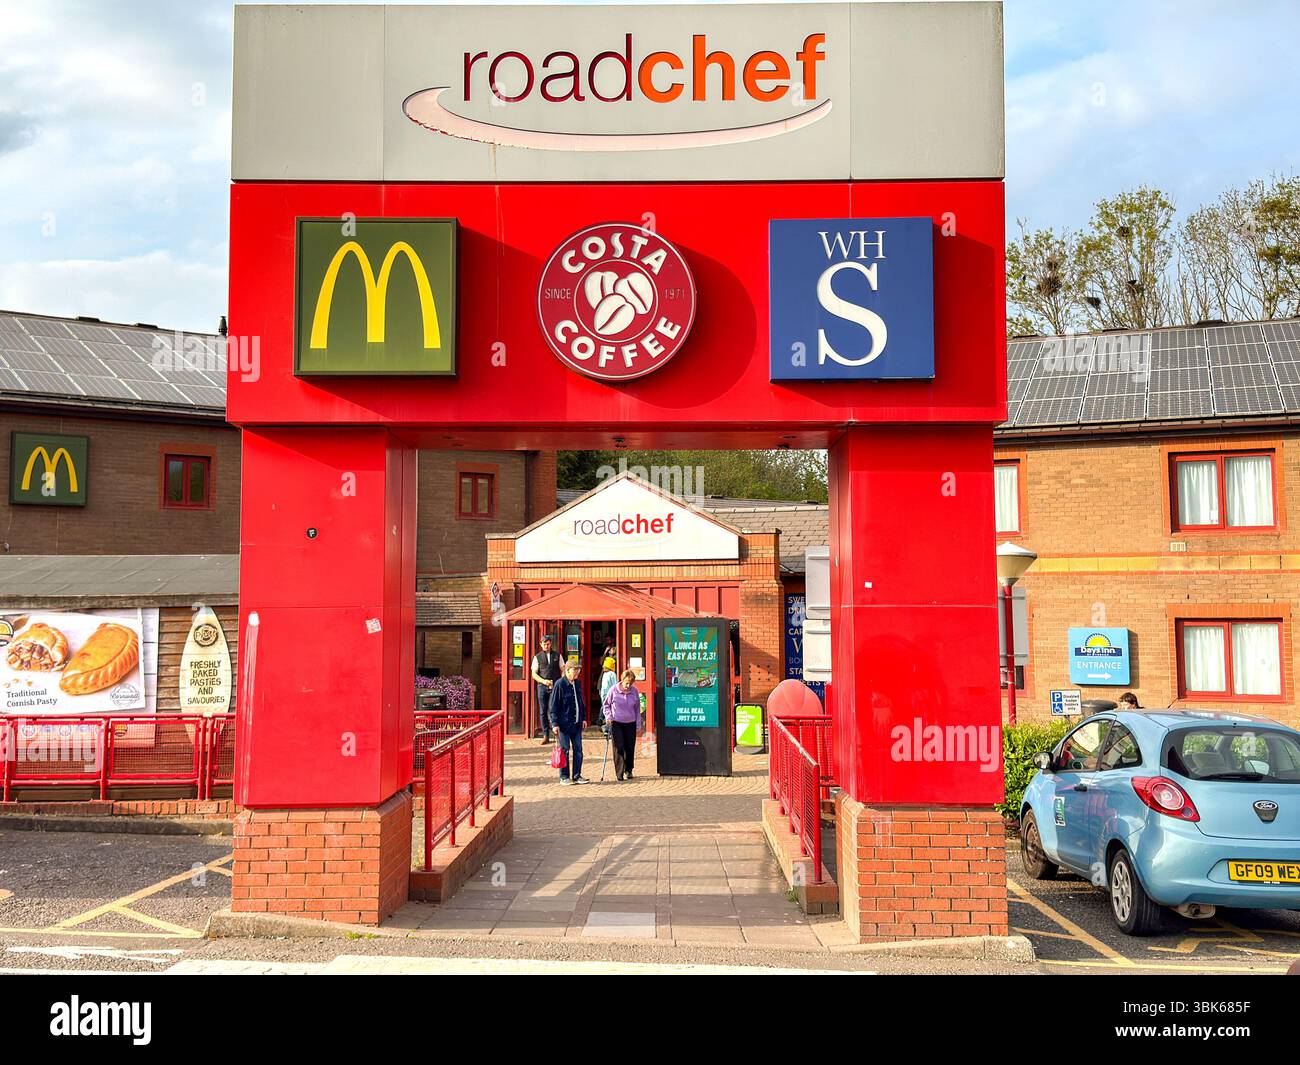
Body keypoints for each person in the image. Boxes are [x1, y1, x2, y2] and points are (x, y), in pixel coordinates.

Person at [550, 659, 589, 785]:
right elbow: (554, 705)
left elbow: (581, 703)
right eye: (575, 670)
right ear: (567, 670)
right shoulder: (559, 684)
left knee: (578, 750)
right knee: (565, 750)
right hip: (564, 724)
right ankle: (564, 776)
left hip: (576, 723)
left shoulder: (577, 684)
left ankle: (577, 775)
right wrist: (555, 724)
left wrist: (583, 718)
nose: (577, 672)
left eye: (578, 670)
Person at [602, 669, 641, 781]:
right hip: (616, 722)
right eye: (626, 683)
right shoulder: (613, 690)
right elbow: (606, 705)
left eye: (631, 683)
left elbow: (637, 709)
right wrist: (609, 716)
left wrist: (638, 724)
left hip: (630, 723)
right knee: (618, 747)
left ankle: (629, 770)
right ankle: (619, 772)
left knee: (629, 747)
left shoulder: (634, 691)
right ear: (622, 680)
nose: (628, 686)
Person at [531, 635, 562, 744]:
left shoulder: (558, 655)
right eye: (544, 644)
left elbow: (563, 669)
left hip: (555, 687)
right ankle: (545, 735)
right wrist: (544, 681)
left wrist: (560, 683)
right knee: (543, 711)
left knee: (554, 709)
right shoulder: (537, 657)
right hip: (542, 687)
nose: (546, 646)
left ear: (550, 644)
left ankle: (557, 732)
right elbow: (534, 674)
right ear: (541, 644)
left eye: (548, 644)